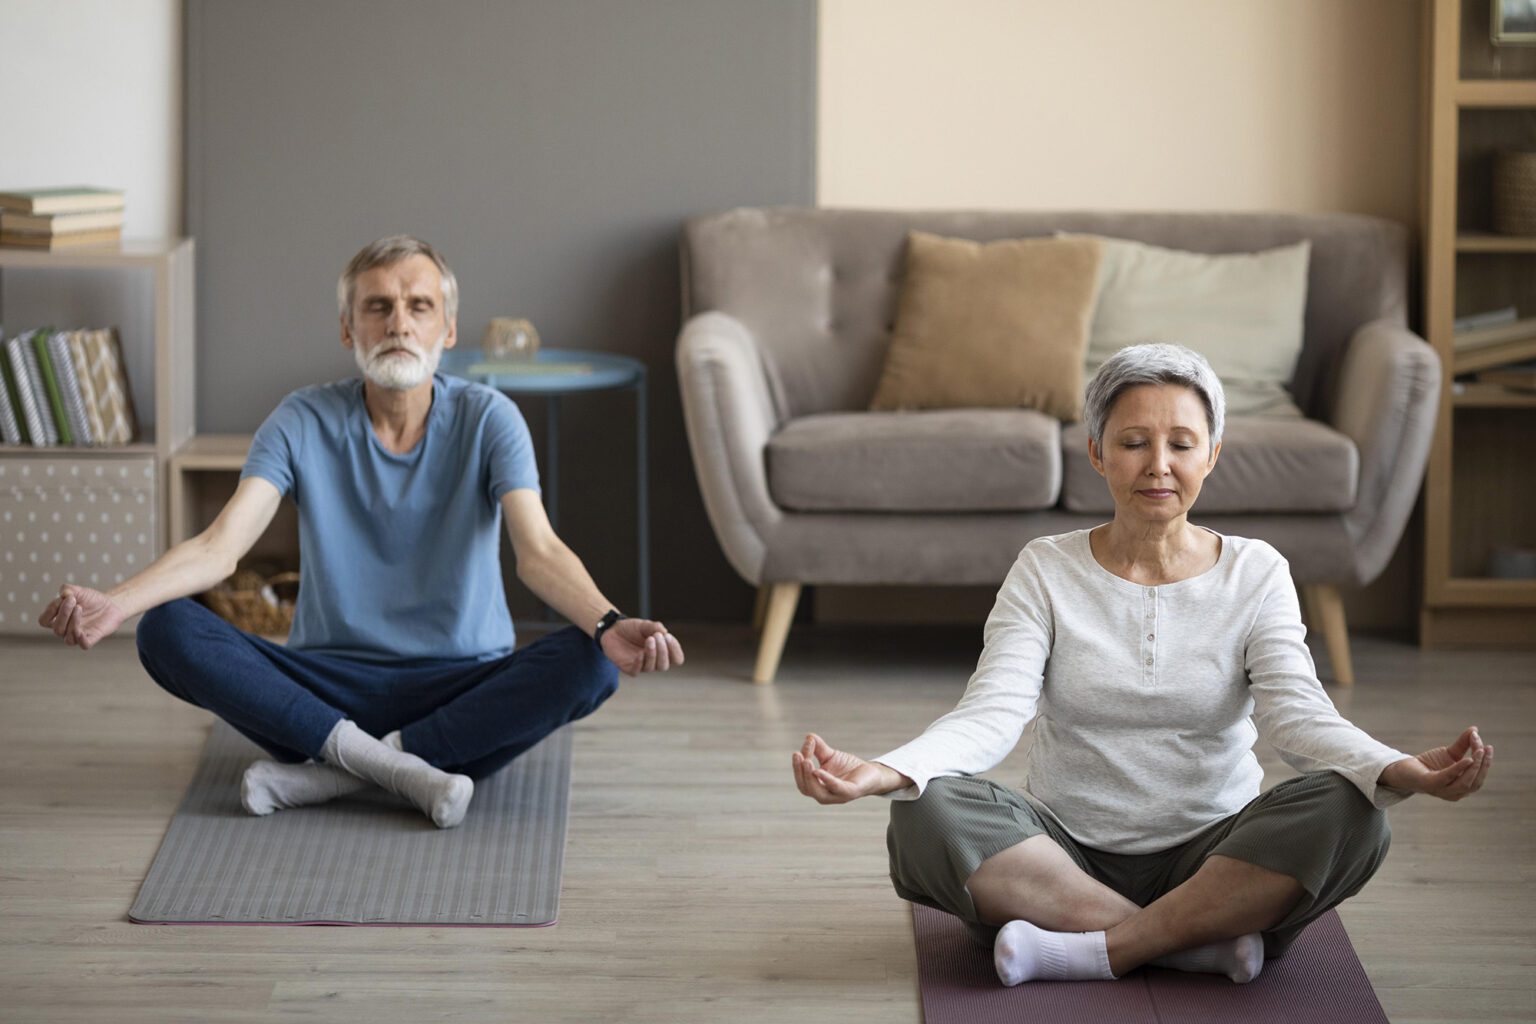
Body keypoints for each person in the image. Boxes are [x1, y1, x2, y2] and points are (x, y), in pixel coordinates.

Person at [791, 343, 1492, 987]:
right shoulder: (1045, 568)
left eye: (1181, 444)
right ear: (1097, 453)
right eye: (1133, 442)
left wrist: (1394, 767)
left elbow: (1298, 716)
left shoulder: (1257, 572)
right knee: (925, 809)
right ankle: (1196, 942)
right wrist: (891, 769)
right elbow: (992, 712)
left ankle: (1102, 947)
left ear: (1212, 453)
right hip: (1063, 860)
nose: (1159, 464)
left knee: (1356, 808)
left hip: (1220, 855)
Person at [37, 234, 684, 829]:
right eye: (378, 306)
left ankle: (336, 776)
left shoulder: (491, 419)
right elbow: (220, 547)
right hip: (323, 692)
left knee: (589, 661)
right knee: (166, 627)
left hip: (460, 696)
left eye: (419, 305)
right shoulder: (302, 418)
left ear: (448, 328)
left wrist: (607, 621)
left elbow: (538, 552)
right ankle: (398, 769)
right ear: (348, 327)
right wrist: (117, 602)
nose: (399, 321)